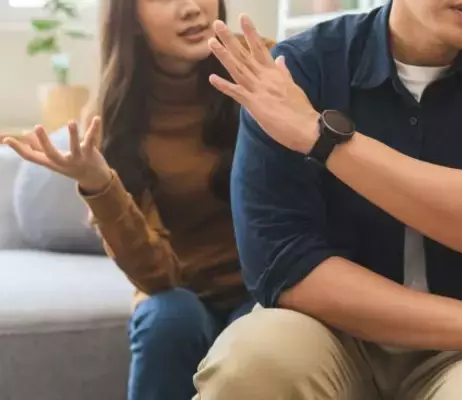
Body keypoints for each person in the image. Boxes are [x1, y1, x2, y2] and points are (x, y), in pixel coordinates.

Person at [192, 1, 462, 400]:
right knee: (251, 362)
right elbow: (284, 264)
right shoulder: (300, 67)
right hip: (329, 329)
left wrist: (322, 139)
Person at [0, 1, 274, 399]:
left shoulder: (261, 63)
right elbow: (157, 277)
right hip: (179, 290)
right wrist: (99, 185)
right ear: (130, 19)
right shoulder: (113, 115)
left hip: (265, 287)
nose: (191, 7)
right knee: (168, 318)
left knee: (259, 332)